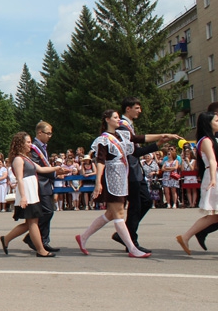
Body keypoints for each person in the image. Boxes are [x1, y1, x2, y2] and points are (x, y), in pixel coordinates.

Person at [75, 110, 178, 259]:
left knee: (111, 214)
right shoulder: (103, 139)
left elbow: (140, 139)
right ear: (107, 120)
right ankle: (132, 247)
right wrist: (98, 182)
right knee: (119, 214)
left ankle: (83, 237)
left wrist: (162, 137)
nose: (119, 120)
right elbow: (101, 161)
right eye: (116, 118)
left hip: (122, 176)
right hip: (112, 178)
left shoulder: (121, 135)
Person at [0, 133, 63, 258]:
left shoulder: (26, 158)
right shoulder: (18, 159)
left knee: (30, 223)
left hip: (32, 192)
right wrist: (23, 196)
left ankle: (6, 239)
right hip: (27, 192)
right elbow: (20, 178)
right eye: (27, 142)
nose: (30, 145)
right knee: (33, 222)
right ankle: (41, 250)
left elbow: (41, 169)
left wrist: (57, 169)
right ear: (20, 144)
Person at [112, 97, 162, 252]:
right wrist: (157, 141)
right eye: (137, 108)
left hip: (136, 169)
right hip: (129, 170)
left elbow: (137, 151)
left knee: (146, 201)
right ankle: (131, 241)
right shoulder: (122, 127)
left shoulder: (129, 126)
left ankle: (124, 233)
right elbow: (133, 151)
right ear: (128, 109)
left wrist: (157, 145)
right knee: (135, 205)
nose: (140, 111)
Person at [175, 112, 218, 255]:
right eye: (216, 121)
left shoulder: (211, 139)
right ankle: (186, 236)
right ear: (208, 123)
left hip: (214, 175)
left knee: (214, 216)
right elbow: (212, 160)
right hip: (214, 176)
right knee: (213, 215)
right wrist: (213, 178)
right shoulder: (206, 140)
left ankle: (186, 236)